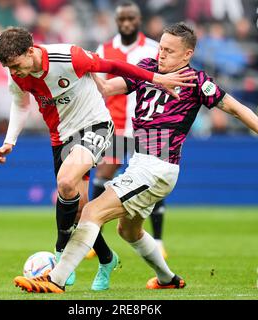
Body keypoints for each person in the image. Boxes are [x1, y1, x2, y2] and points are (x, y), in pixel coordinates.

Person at [12, 22, 258, 294]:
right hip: (140, 161)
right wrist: (83, 72)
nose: (161, 54)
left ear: (187, 54)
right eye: (160, 47)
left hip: (159, 166)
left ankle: (55, 280)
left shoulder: (197, 81)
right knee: (128, 230)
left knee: (91, 212)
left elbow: (237, 108)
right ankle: (167, 279)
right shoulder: (148, 68)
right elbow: (108, 87)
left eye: (168, 50)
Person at [0, 27, 195, 291]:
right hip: (61, 138)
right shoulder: (16, 76)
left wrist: (157, 78)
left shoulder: (68, 57)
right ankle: (108, 259)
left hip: (94, 126)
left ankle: (60, 256)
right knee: (80, 210)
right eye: (9, 67)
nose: (15, 72)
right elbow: (20, 105)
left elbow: (114, 65)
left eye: (17, 65)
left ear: (30, 51)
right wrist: (10, 141)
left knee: (65, 183)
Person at [90, 1, 168, 260]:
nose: (126, 23)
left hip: (149, 124)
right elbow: (99, 84)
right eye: (122, 19)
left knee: (153, 178)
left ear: (139, 19)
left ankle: (158, 240)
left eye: (131, 18)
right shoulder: (105, 48)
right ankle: (94, 238)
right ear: (116, 21)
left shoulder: (154, 49)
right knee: (104, 174)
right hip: (115, 123)